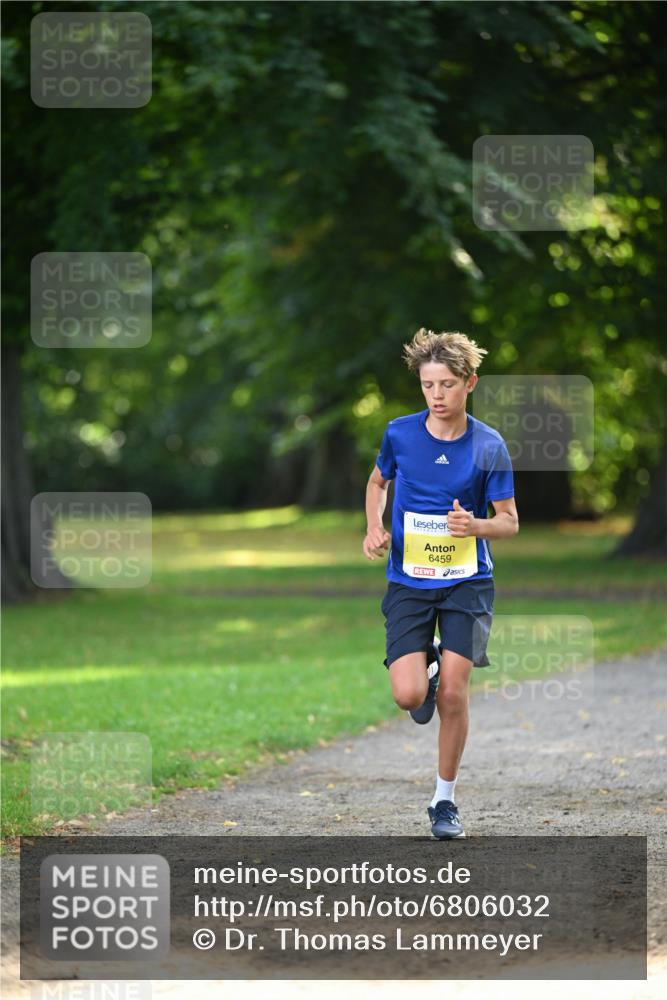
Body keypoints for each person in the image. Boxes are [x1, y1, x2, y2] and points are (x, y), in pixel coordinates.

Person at [363, 328, 518, 839]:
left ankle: (444, 801)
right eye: (428, 384)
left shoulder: (489, 445)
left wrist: (474, 526)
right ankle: (426, 661)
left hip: (468, 582)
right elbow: (377, 482)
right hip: (409, 579)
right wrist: (374, 526)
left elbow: (510, 522)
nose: (436, 394)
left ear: (470, 383)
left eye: (447, 384)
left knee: (453, 693)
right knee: (410, 696)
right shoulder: (400, 433)